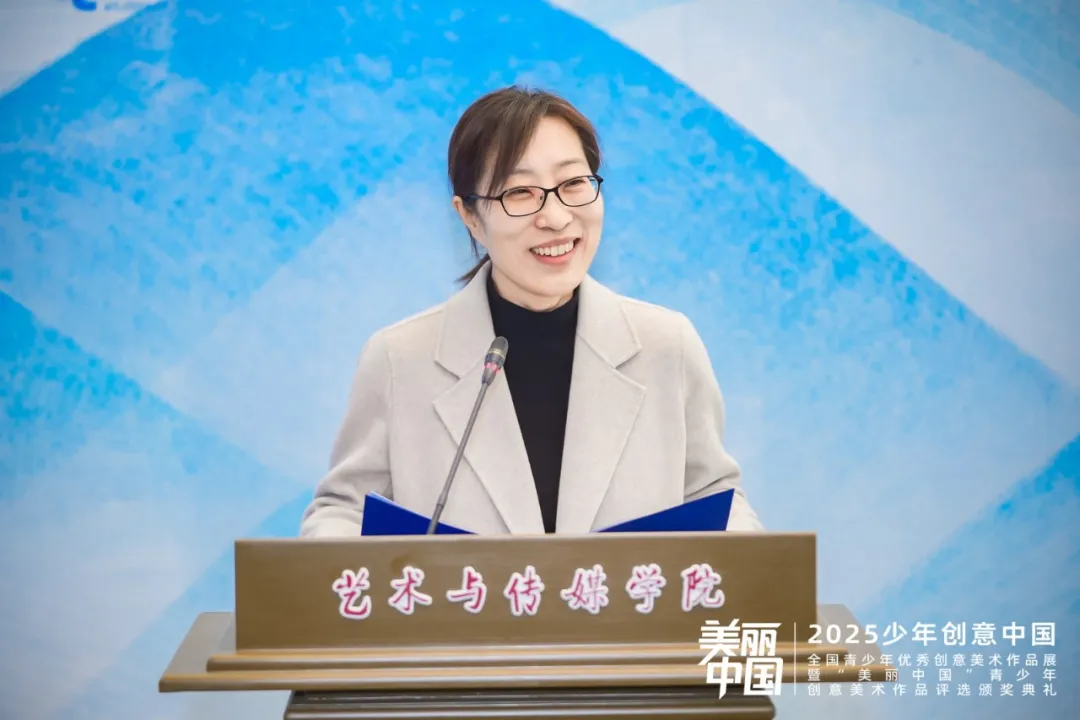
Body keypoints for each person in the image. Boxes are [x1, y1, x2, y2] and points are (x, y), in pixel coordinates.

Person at [300, 86, 763, 537]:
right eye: (520, 192)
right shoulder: (400, 358)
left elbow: (716, 501)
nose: (556, 217)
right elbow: (343, 513)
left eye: (573, 183)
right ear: (469, 216)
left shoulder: (667, 344)